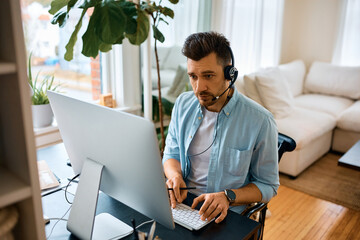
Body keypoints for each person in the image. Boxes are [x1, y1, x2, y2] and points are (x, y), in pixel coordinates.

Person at [162, 31, 279, 224]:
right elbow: (171, 154)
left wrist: (228, 196)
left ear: (229, 74)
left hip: (225, 216)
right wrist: (174, 176)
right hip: (183, 205)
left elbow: (268, 186)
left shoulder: (261, 121)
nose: (199, 87)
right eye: (193, 76)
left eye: (208, 76)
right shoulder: (183, 104)